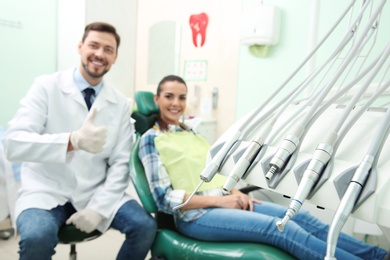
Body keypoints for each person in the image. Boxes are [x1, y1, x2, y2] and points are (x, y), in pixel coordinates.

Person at [138, 74, 388, 260]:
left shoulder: (192, 133)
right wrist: (220, 202)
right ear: (157, 99)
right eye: (169, 96)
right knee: (282, 228)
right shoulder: (151, 139)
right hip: (194, 215)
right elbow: (163, 199)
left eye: (181, 97)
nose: (176, 103)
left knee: (300, 216)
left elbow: (211, 175)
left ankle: (378, 256)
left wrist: (232, 193)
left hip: (224, 200)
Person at [2, 22, 157, 260]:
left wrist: (99, 208)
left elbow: (120, 163)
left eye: (108, 49)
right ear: (80, 47)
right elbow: (13, 144)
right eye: (93, 45)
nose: (99, 54)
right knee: (37, 237)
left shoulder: (118, 104)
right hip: (45, 191)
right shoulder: (46, 87)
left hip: (95, 191)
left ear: (115, 57)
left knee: (145, 227)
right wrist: (71, 141)